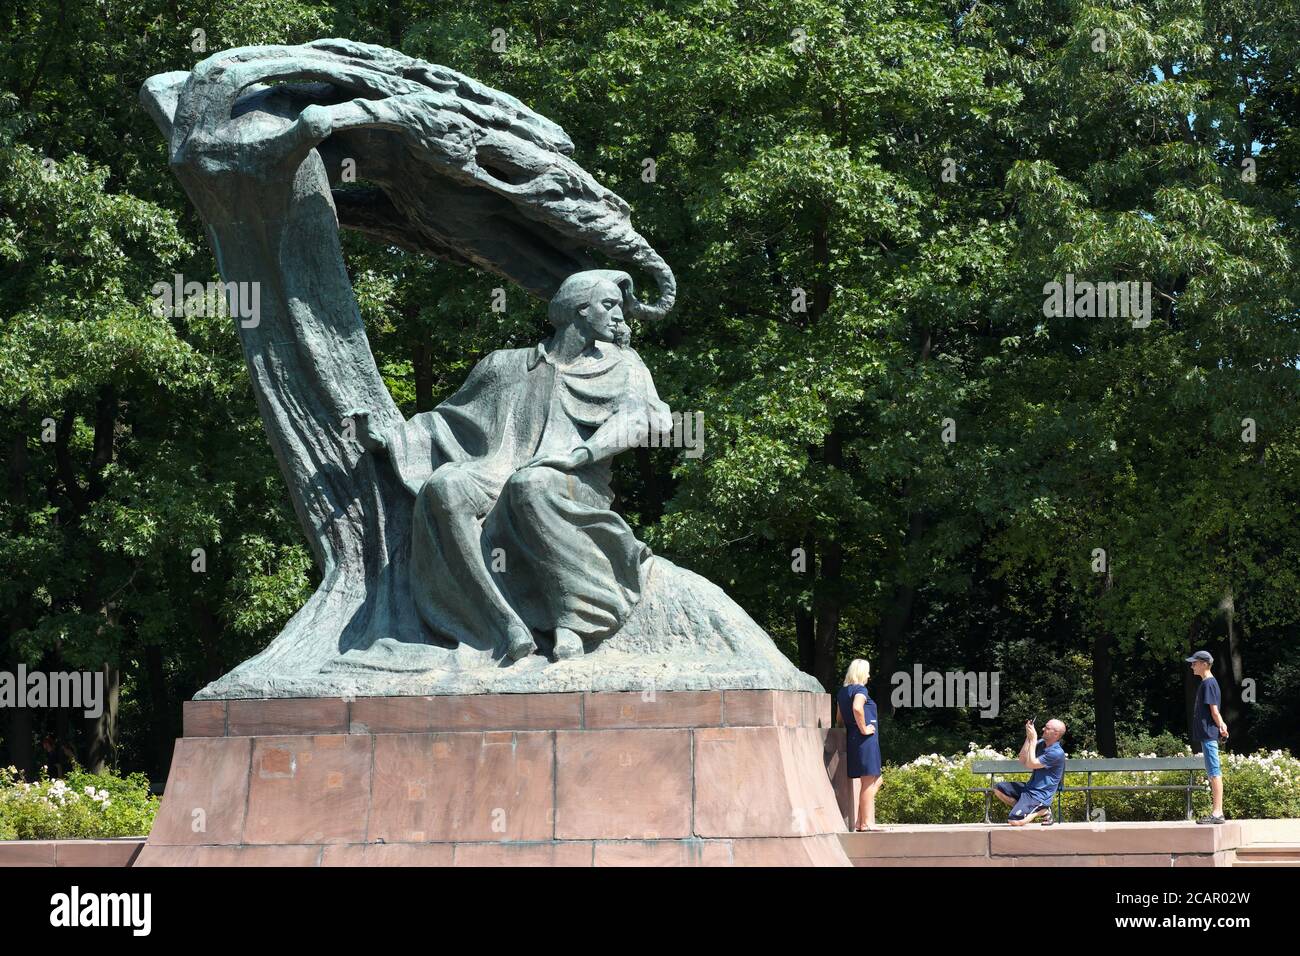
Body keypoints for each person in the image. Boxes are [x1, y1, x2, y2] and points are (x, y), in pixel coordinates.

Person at [350, 270, 673, 663]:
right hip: (495, 471)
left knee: (531, 485)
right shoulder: (505, 366)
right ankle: (502, 625)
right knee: (446, 486)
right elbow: (446, 420)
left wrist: (580, 455)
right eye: (609, 305)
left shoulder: (625, 365)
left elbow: (646, 420)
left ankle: (571, 621)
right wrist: (388, 440)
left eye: (620, 307)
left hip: (573, 481)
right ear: (578, 308)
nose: (619, 316)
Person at [836, 659, 883, 831]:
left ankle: (859, 821)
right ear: (862, 673)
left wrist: (852, 732)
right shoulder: (861, 690)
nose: (869, 675)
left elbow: (839, 720)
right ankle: (866, 823)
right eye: (868, 672)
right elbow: (857, 708)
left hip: (854, 740)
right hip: (865, 740)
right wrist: (863, 729)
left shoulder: (842, 692)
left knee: (874, 780)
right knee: (869, 781)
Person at [992, 718, 1067, 826]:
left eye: (1047, 728)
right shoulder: (1041, 744)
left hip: (1039, 795)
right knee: (999, 788)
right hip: (1029, 788)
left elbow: (1031, 764)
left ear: (1055, 734)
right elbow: (1022, 759)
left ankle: (1043, 810)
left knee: (1015, 821)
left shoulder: (1056, 753)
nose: (1043, 729)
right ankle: (1025, 808)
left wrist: (1033, 739)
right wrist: (1028, 737)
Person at [1187, 650, 1229, 824]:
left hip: (1210, 735)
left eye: (1194, 663)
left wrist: (1221, 726)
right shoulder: (1206, 683)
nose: (1192, 666)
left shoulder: (1209, 684)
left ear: (1204, 664)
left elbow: (1214, 711)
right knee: (1212, 773)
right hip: (1206, 735)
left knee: (1214, 772)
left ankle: (1217, 813)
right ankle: (1216, 812)